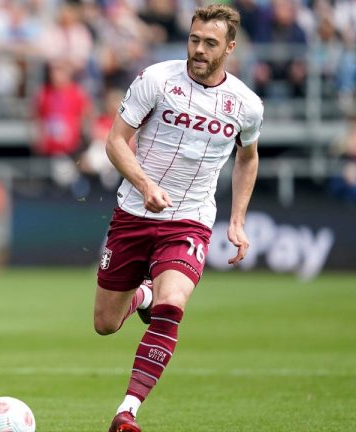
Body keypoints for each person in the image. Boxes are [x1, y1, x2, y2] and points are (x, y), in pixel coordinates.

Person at [93, 5, 263, 432]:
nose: (199, 49)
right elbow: (115, 142)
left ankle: (127, 411)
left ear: (230, 47)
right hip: (134, 212)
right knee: (105, 324)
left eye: (210, 43)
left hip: (190, 220)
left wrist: (237, 220)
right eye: (194, 39)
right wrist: (145, 184)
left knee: (173, 304)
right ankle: (142, 296)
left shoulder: (246, 105)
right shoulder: (156, 80)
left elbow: (248, 158)